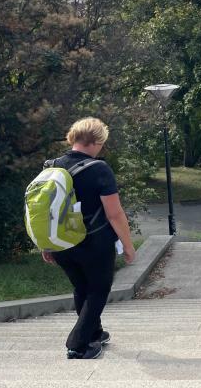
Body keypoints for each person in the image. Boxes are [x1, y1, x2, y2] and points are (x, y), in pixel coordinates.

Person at [41, 118, 136, 360]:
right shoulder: (99, 169)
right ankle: (78, 345)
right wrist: (128, 245)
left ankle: (95, 333)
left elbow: (44, 212)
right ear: (96, 141)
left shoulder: (51, 167)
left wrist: (47, 243)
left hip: (61, 243)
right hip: (94, 243)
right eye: (102, 143)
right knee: (98, 289)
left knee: (81, 286)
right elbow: (114, 213)